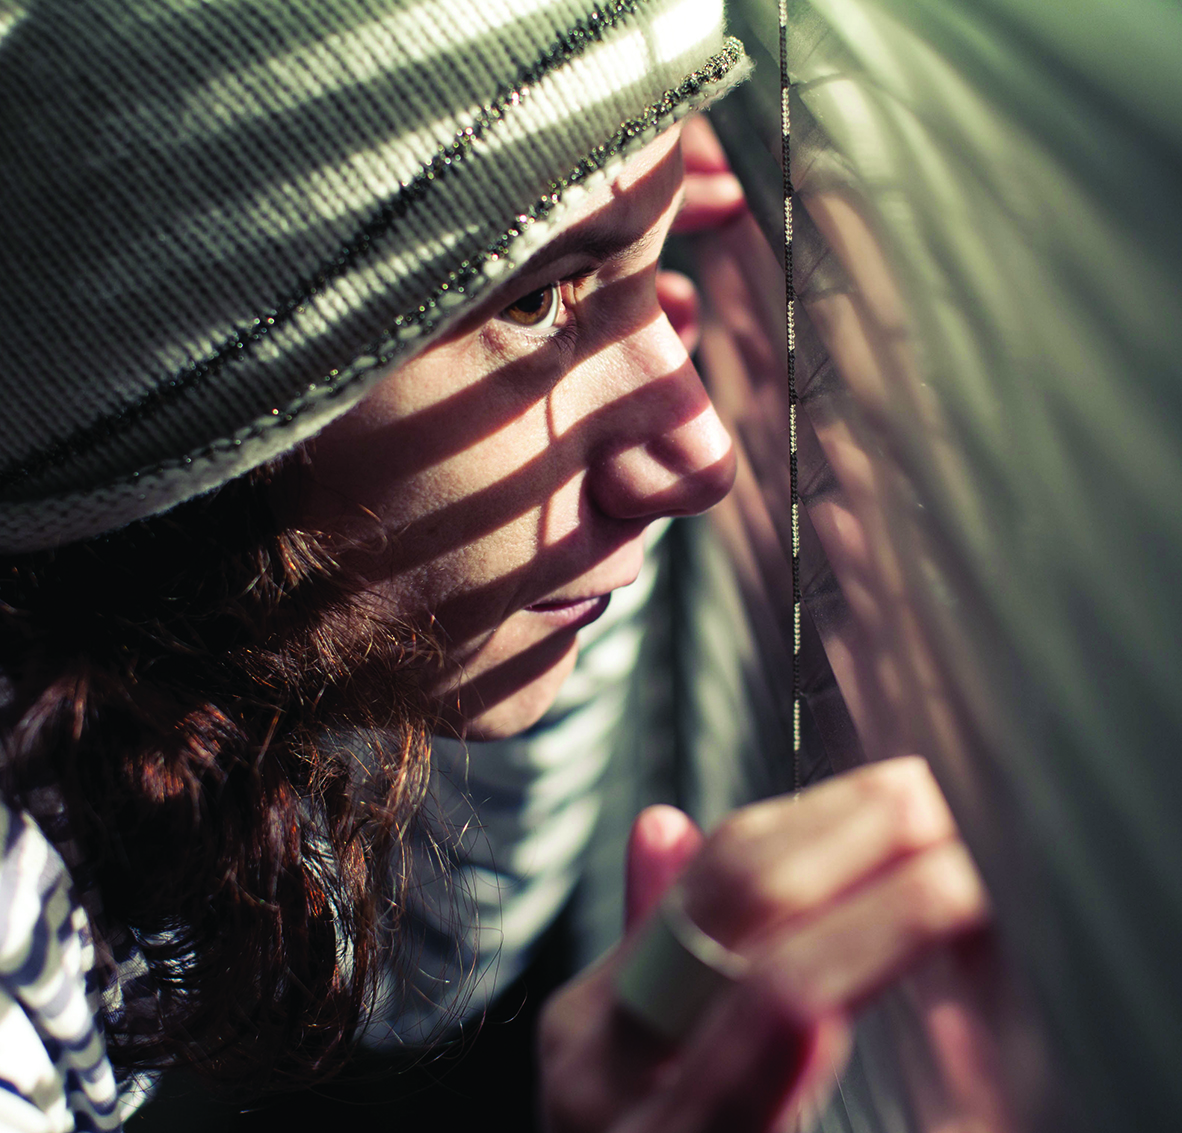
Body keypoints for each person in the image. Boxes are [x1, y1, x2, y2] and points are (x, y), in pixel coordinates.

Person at [0, 2, 989, 1131]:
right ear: (190, 407)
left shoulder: (146, 750)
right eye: (531, 298)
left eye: (650, 265)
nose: (703, 459)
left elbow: (410, 958)